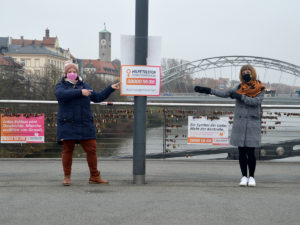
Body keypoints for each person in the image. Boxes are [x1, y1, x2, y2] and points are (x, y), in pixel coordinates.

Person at [194, 64, 265, 187]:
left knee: (251, 151)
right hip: (240, 124)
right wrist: (208, 90)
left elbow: (256, 102)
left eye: (248, 72)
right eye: (243, 72)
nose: (246, 74)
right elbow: (224, 93)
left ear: (253, 73)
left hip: (252, 123)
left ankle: (252, 177)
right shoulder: (238, 87)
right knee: (241, 151)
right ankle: (243, 176)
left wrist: (240, 97)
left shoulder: (260, 88)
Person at [55, 61, 120, 186]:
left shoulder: (85, 85)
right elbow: (61, 95)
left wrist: (110, 88)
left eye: (74, 71)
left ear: (77, 73)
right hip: (67, 123)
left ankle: (94, 176)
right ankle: (67, 177)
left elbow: (98, 97)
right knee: (67, 150)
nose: (72, 73)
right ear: (65, 74)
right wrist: (80, 92)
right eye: (69, 72)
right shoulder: (61, 86)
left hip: (85, 123)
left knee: (92, 149)